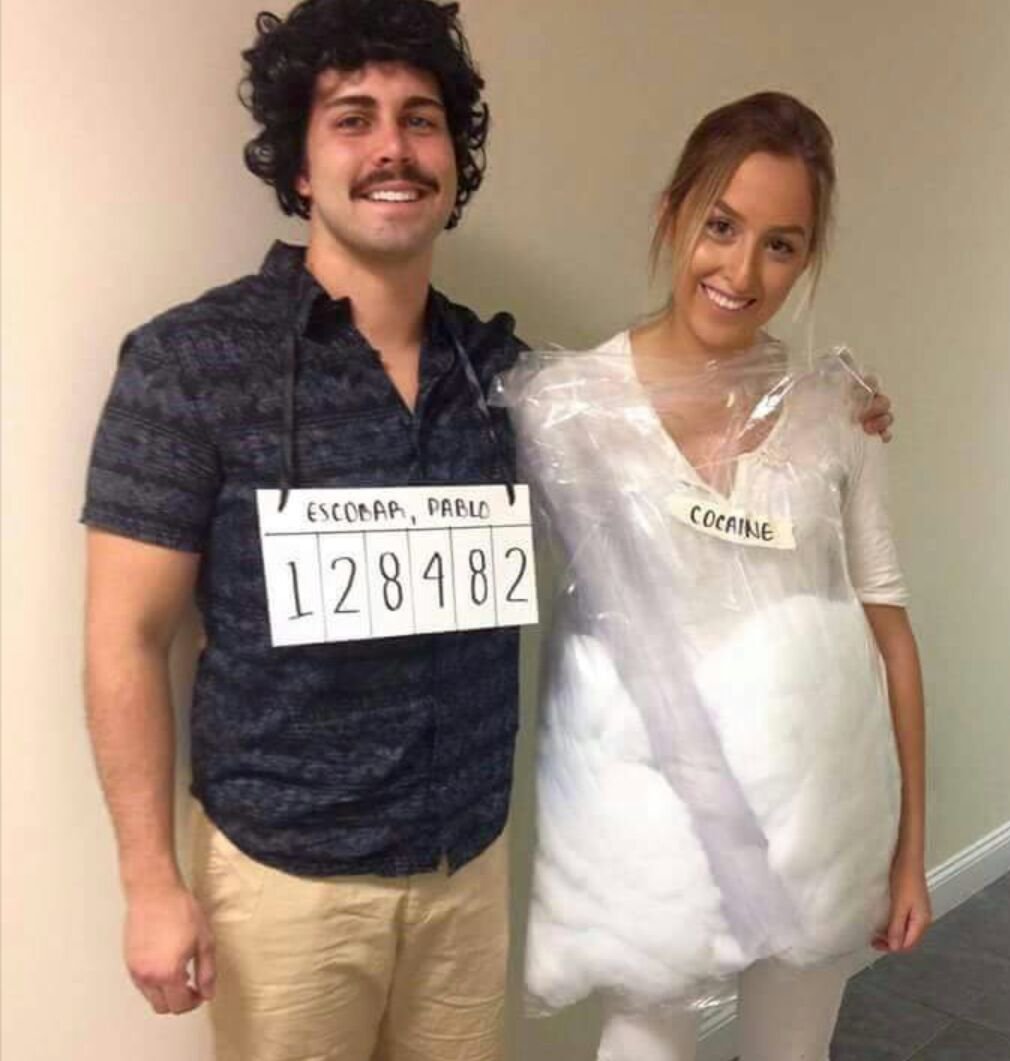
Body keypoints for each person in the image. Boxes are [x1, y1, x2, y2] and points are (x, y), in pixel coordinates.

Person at [81, 0, 896, 1055]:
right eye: (353, 118)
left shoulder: (508, 382)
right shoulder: (191, 363)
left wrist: (826, 409)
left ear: (453, 163)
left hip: (464, 876)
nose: (392, 147)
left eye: (420, 120)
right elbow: (126, 637)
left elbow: (658, 428)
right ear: (298, 165)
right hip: (286, 886)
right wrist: (150, 880)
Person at [501, 92, 929, 1061]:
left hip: (813, 815)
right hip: (640, 825)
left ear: (807, 259)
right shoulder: (567, 408)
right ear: (672, 214)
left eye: (780, 245)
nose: (740, 272)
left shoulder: (837, 414)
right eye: (720, 226)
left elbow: (890, 631)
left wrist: (908, 849)